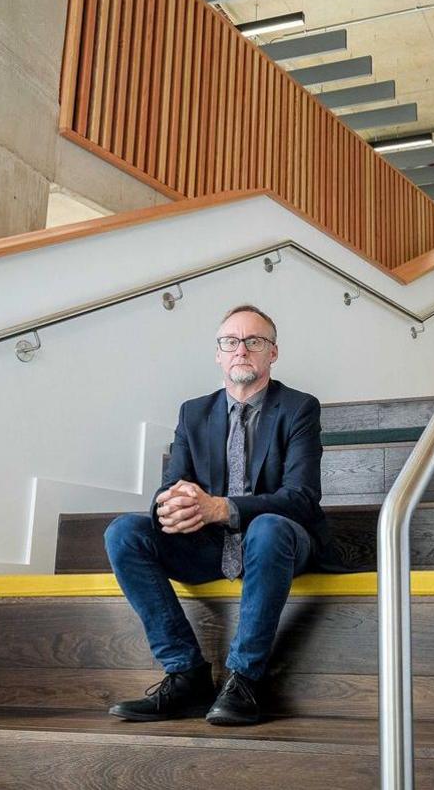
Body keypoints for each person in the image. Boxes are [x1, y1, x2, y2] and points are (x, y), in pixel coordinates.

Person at [103, 304, 329, 725]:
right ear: (219, 354)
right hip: (209, 549)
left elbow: (301, 498)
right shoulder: (194, 412)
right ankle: (186, 675)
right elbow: (170, 485)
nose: (241, 350)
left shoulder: (299, 408)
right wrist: (172, 505)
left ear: (272, 354)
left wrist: (222, 508)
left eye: (254, 341)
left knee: (268, 527)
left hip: (278, 544)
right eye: (231, 342)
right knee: (124, 532)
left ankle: (245, 678)